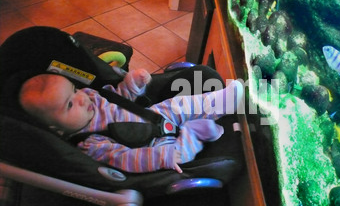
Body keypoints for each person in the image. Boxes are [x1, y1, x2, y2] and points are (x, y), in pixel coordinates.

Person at [19, 68, 244, 174]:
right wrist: (161, 157)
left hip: (153, 115)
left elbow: (120, 96)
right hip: (151, 146)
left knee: (181, 104)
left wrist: (133, 83)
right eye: (69, 105)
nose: (80, 98)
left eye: (75, 89)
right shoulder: (90, 143)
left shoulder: (92, 98)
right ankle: (194, 133)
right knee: (180, 154)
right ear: (55, 129)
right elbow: (126, 159)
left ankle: (223, 101)